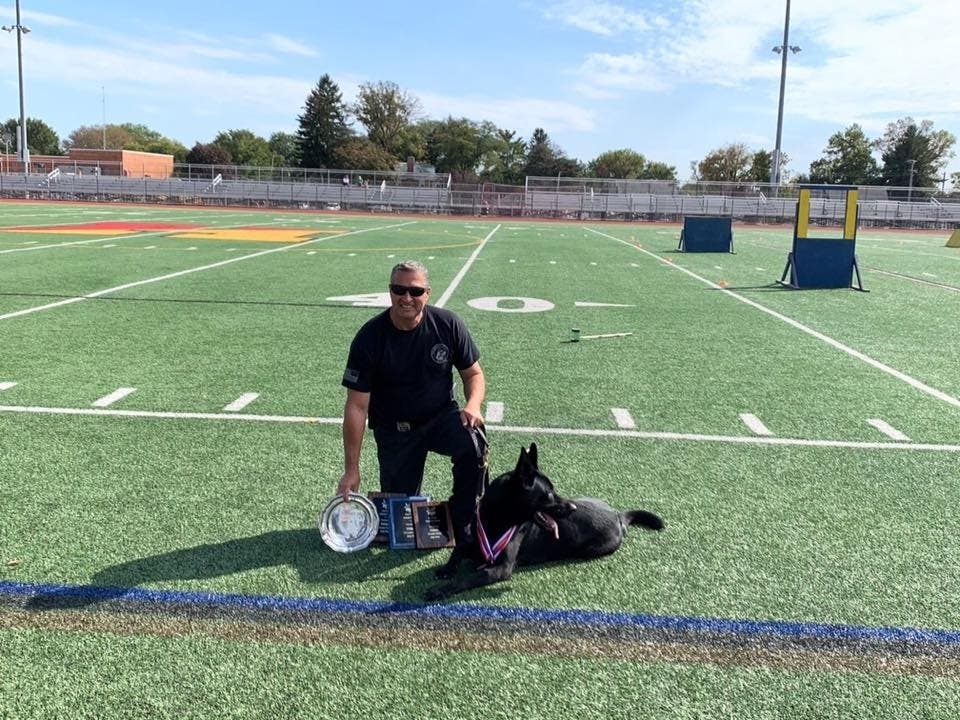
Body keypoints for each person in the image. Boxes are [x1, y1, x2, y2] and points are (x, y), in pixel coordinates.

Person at [337, 260, 487, 546]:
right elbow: (356, 407)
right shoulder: (369, 337)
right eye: (399, 290)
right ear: (390, 291)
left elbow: (473, 373)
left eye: (415, 291)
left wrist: (474, 405)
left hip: (440, 418)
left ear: (427, 293)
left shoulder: (448, 324)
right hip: (395, 430)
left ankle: (464, 515)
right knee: (400, 518)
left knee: (473, 444)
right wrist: (351, 469)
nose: (407, 298)